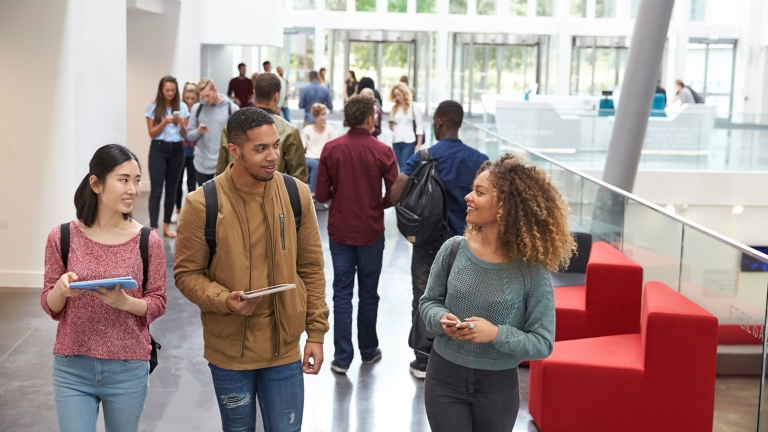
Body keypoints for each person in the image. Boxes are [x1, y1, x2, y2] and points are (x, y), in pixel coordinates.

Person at [174, 108, 329, 432]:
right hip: (229, 352)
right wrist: (224, 299)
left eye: (275, 145)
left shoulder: (295, 194)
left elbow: (311, 268)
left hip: (284, 348)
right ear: (234, 150)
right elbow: (186, 274)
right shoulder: (203, 203)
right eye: (261, 149)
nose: (272, 156)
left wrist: (316, 333)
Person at [420, 153, 575, 432]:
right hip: (443, 377)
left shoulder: (531, 271)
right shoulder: (453, 250)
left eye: (479, 192)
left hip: (498, 388)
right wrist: (440, 318)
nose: (468, 197)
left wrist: (496, 334)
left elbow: (542, 342)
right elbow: (429, 302)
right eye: (472, 189)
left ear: (506, 205)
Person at [42, 144, 167, 432]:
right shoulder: (61, 237)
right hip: (72, 366)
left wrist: (125, 302)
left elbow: (158, 301)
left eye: (137, 180)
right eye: (123, 180)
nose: (133, 189)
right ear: (96, 184)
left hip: (128, 368)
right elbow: (50, 305)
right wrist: (61, 289)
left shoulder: (148, 240)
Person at [391, 100, 489, 379]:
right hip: (468, 243)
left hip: (428, 241)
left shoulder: (424, 156)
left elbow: (396, 193)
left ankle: (423, 360)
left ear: (438, 122)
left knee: (424, 296)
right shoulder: (479, 160)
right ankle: (458, 358)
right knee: (465, 298)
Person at [315, 96, 399, 374]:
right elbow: (395, 193)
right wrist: (379, 204)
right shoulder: (383, 151)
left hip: (339, 231)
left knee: (341, 293)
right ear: (369, 119)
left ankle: (341, 358)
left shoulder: (331, 149)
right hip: (371, 231)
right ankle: (367, 349)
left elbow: (323, 194)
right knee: (369, 293)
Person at [216, 73, 309, 183]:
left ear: (254, 93)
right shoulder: (289, 130)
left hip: (233, 193)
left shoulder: (231, 126)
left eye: (276, 145)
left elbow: (222, 168)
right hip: (274, 196)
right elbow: (298, 177)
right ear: (277, 96)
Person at [145, 75, 189, 238]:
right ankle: (154, 228)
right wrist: (165, 121)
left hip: (177, 150)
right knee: (156, 190)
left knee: (172, 189)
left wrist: (181, 124)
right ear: (161, 91)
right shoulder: (153, 108)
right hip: (158, 149)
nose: (170, 93)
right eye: (167, 90)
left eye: (172, 90)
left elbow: (185, 134)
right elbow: (152, 133)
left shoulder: (182, 107)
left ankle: (166, 227)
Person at [186, 78, 239, 186]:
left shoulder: (231, 108)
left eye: (207, 95)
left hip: (224, 164)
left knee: (223, 201)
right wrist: (199, 132)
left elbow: (239, 138)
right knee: (205, 201)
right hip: (201, 163)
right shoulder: (197, 108)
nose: (205, 99)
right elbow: (189, 135)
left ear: (215, 90)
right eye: (202, 97)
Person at [174, 82, 200, 223]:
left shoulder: (199, 112)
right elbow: (180, 133)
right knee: (177, 182)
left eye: (192, 98)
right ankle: (177, 210)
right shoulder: (181, 112)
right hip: (181, 150)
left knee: (192, 183)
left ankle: (189, 213)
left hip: (194, 151)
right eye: (187, 98)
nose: (190, 101)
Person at [388, 82, 424, 170]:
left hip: (409, 141)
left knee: (405, 167)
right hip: (396, 141)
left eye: (399, 95)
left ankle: (405, 184)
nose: (397, 97)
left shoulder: (414, 107)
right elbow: (391, 123)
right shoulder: (394, 108)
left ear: (404, 93)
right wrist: (393, 127)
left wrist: (418, 145)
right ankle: (406, 183)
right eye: (395, 95)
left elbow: (419, 127)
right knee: (400, 166)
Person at [301, 103, 335, 196]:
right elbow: (302, 147)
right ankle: (313, 192)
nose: (322, 117)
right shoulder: (307, 129)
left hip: (324, 158)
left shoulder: (329, 129)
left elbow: (332, 147)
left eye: (324, 114)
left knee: (321, 164)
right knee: (316, 165)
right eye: (319, 115)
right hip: (309, 157)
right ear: (314, 116)